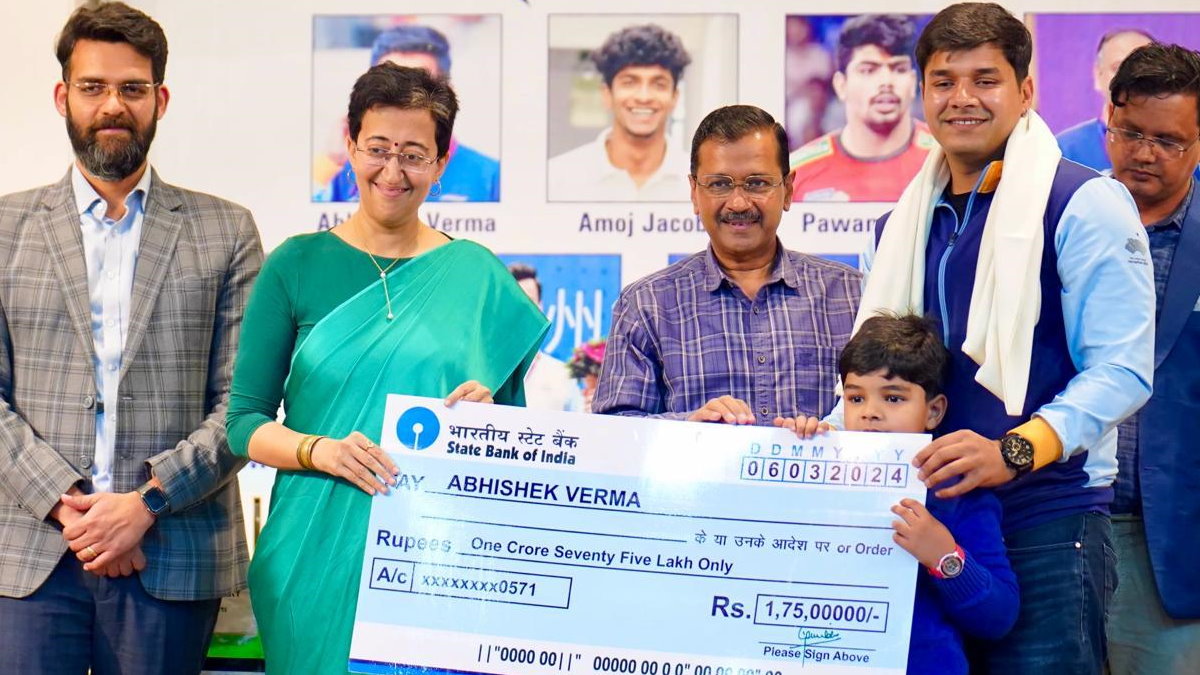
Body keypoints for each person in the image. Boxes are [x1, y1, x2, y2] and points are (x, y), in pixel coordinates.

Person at [837, 4, 1155, 672]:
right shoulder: (896, 228)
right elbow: (877, 373)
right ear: (924, 95)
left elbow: (1122, 370)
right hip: (917, 523)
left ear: (1026, 90)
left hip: (1047, 518)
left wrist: (1013, 451)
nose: (962, 98)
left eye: (985, 79)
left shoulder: (1083, 203)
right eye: (944, 81)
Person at [226, 63, 547, 673]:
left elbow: (515, 445)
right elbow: (243, 423)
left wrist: (487, 421)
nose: (392, 172)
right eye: (377, 149)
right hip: (311, 549)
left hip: (438, 560)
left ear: (441, 163)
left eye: (413, 155)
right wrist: (320, 450)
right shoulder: (296, 264)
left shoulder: (478, 276)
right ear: (350, 145)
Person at [0, 3, 262, 672]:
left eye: (132, 88)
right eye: (93, 87)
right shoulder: (5, 229)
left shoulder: (226, 232)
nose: (112, 105)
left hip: (172, 551)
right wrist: (68, 506)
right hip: (31, 553)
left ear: (159, 100)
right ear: (63, 96)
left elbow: (243, 404)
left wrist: (145, 504)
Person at [778, 313, 1019, 674]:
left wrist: (944, 556)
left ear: (934, 411)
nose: (870, 413)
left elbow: (998, 618)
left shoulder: (955, 492)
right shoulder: (818, 478)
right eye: (855, 398)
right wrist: (789, 456)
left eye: (893, 398)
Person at [594, 105, 861, 424]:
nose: (738, 203)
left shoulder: (851, 296)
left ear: (788, 189)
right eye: (719, 184)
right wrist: (689, 428)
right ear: (694, 192)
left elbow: (891, 415)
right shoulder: (647, 304)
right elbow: (614, 429)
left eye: (757, 183)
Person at [1102, 43, 1200, 674]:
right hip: (1056, 526)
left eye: (1167, 141)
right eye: (1131, 132)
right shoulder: (1057, 224)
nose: (1144, 153)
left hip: (1175, 543)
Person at [316, 24, 500, 203]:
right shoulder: (342, 174)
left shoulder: (492, 179)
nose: (399, 103)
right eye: (386, 86)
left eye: (418, 88)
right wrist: (334, 164)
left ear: (448, 95)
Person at [790, 14, 935, 202]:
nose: (886, 82)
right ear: (841, 85)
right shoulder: (797, 173)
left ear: (913, 81)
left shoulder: (947, 161)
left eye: (899, 69)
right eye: (868, 70)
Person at [548, 24, 692, 202]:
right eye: (629, 82)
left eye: (659, 84)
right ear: (607, 94)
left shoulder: (703, 183)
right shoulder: (556, 179)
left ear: (675, 98)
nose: (644, 97)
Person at [1056, 29, 1154, 172]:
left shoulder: (1177, 148)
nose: (1131, 78)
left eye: (1143, 69)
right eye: (1117, 68)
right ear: (1098, 75)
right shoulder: (1063, 152)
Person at [509, 263, 584, 412]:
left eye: (530, 301)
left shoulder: (563, 376)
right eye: (514, 302)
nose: (522, 309)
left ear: (541, 307)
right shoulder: (485, 374)